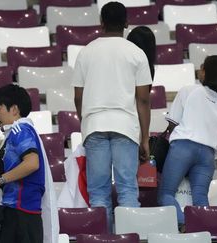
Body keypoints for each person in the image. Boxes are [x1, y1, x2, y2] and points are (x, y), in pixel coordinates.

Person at [71, 1, 152, 228]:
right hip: (126, 127)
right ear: (126, 23)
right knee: (127, 189)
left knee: (98, 193)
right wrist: (144, 138)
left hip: (94, 125)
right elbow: (143, 99)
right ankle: (130, 237)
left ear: (101, 23)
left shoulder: (86, 52)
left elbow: (78, 96)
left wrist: (86, 121)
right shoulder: (136, 53)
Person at [158, 55, 217, 228]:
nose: (199, 70)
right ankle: (202, 231)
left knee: (165, 194)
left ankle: (184, 225)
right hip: (207, 155)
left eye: (202, 67)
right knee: (200, 198)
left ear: (207, 72)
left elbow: (172, 124)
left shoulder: (188, 90)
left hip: (182, 148)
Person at [0, 84, 58, 243]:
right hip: (21, 215)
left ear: (14, 110)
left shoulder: (20, 130)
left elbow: (32, 163)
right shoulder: (19, 132)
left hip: (20, 216)